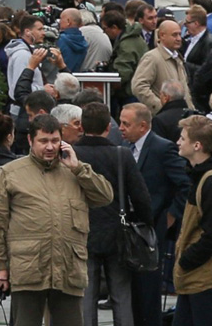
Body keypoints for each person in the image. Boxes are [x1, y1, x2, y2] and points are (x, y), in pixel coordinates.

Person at [0, 113, 113, 326]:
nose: (50, 147)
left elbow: (105, 197)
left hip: (69, 270)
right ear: (31, 141)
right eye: (43, 141)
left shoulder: (75, 171)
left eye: (55, 141)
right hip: (28, 270)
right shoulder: (10, 173)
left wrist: (78, 168)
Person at [72, 101, 149, 326]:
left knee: (86, 296)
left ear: (81, 126)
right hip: (118, 233)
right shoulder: (121, 155)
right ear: (108, 127)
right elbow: (141, 197)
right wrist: (145, 224)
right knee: (121, 295)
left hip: (81, 231)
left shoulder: (72, 154)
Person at [120, 102, 187, 326]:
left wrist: (172, 215)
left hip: (152, 227)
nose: (120, 127)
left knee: (148, 290)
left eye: (125, 124)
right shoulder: (123, 148)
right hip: (128, 227)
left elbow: (184, 183)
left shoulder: (162, 148)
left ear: (142, 126)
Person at [171, 116, 212, 326]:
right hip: (197, 277)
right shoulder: (201, 177)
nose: (178, 143)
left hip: (207, 277)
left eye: (182, 138)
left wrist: (186, 260)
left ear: (197, 145)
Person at [130, 19, 187, 111]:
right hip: (163, 119)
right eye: (174, 35)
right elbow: (139, 87)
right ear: (162, 35)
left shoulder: (177, 58)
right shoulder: (152, 57)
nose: (179, 39)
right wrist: (161, 108)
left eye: (180, 34)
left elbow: (185, 91)